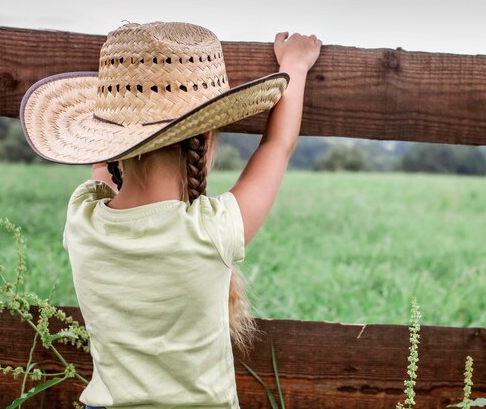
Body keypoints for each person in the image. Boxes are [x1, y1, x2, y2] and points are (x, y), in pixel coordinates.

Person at [20, 21, 321, 408]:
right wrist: (294, 67)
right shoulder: (213, 229)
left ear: (105, 142)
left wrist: (121, 92)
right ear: (206, 141)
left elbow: (104, 168)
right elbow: (277, 145)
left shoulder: (83, 221)